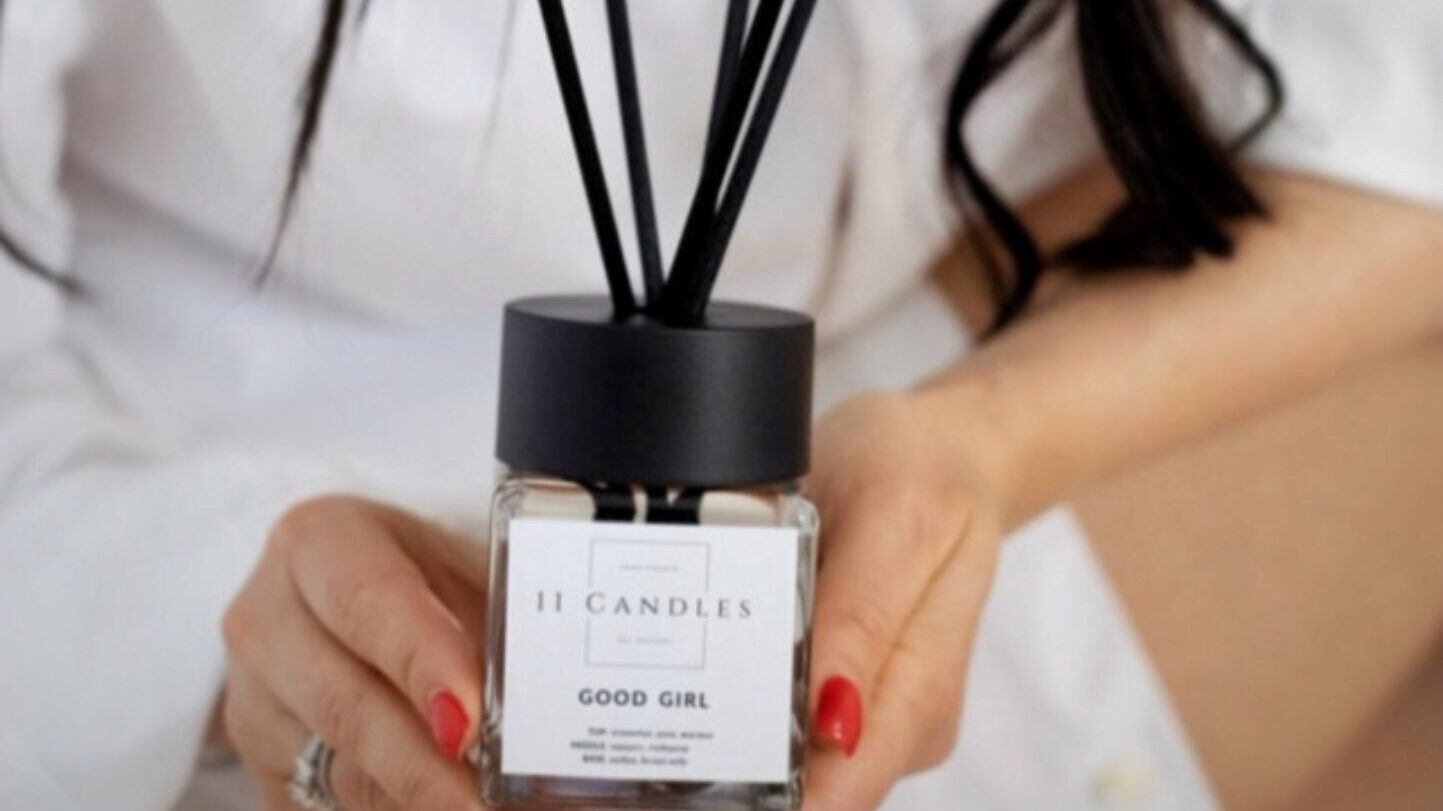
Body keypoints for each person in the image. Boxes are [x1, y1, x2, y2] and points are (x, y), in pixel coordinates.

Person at [1, 1, 1440, 810]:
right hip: (220, 575)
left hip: (896, 453)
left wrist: (981, 442)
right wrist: (232, 643)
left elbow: (1405, 81)